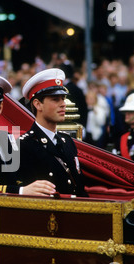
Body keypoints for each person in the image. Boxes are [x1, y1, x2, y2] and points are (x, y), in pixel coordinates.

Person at [17, 68, 88, 197]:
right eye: (55, 99)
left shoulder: (67, 142)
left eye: (63, 98)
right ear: (38, 104)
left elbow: (79, 189)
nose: (63, 104)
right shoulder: (23, 146)